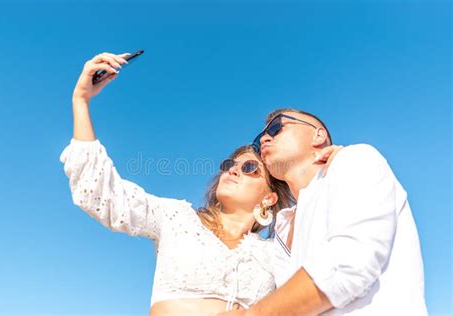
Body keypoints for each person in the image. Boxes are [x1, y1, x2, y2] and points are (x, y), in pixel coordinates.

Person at [59, 53, 339, 315]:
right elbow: (101, 194)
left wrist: (334, 162)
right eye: (229, 164)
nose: (233, 171)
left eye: (250, 167)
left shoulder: (275, 253)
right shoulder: (176, 219)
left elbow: (328, 277)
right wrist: (81, 100)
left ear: (269, 198)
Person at [222, 109, 427, 315]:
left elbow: (348, 264)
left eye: (276, 128)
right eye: (259, 140)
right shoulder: (283, 226)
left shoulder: (355, 158)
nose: (265, 137)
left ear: (318, 135)